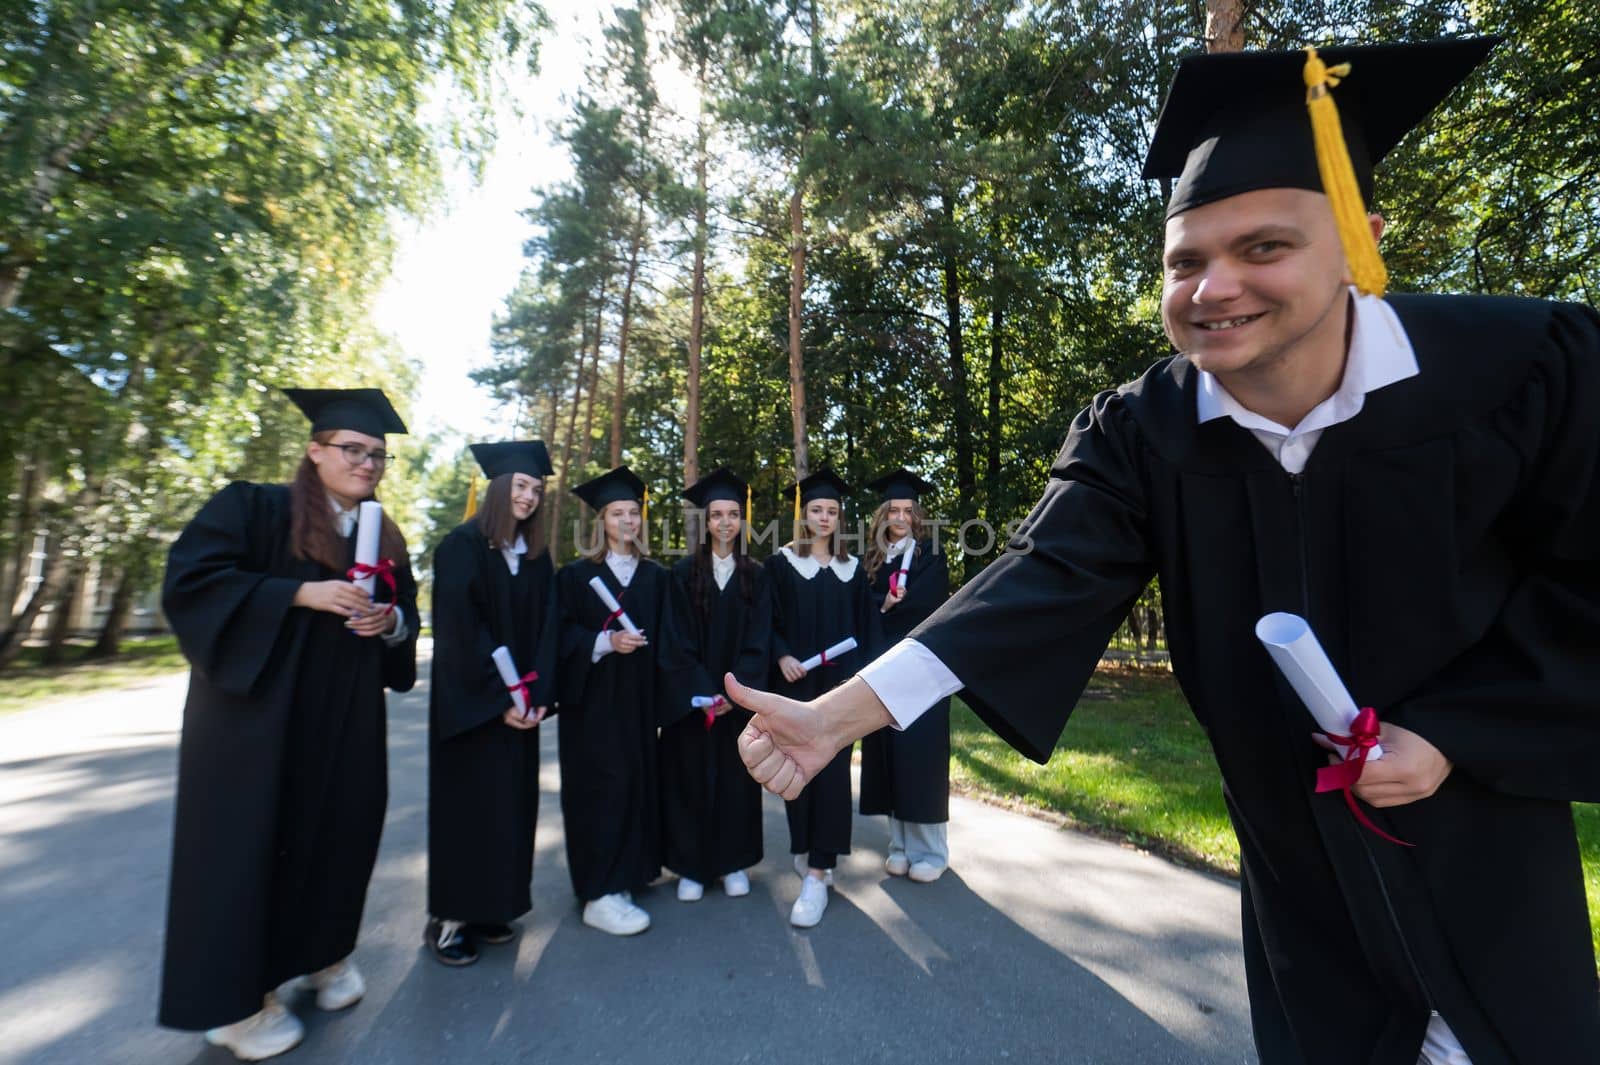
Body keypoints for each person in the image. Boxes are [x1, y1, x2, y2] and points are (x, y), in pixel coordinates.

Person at [731, 39, 1600, 1065]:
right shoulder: (1141, 431)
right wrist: (837, 716)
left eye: (1263, 248)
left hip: (1482, 839)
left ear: (1362, 243)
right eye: (1184, 259)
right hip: (1294, 865)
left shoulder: (1523, 370)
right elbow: (1042, 574)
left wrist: (1453, 734)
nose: (1213, 287)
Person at [159, 387, 419, 1062]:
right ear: (314, 450)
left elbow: (407, 617)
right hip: (257, 726)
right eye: (352, 449)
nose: (366, 462)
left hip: (346, 720)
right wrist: (301, 592)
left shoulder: (382, 535)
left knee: (340, 831)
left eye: (377, 454)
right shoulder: (255, 507)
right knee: (249, 846)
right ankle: (239, 1005)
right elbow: (192, 581)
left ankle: (324, 956)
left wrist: (387, 621)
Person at [424, 440, 559, 966]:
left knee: (509, 810)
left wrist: (537, 696)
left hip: (520, 711)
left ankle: (492, 907)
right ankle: (450, 919)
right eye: (521, 486)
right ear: (498, 488)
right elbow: (461, 631)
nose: (528, 497)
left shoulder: (536, 558)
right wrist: (498, 697)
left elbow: (549, 629)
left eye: (536, 490)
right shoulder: (460, 546)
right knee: (468, 813)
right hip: (473, 711)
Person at [555, 466, 695, 935]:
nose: (627, 520)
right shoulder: (575, 578)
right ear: (602, 521)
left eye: (634, 512)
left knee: (635, 783)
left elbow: (674, 641)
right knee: (601, 788)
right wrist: (604, 642)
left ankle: (629, 874)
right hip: (591, 707)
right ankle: (598, 891)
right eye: (618, 512)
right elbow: (559, 637)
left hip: (637, 704)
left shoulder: (657, 578)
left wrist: (683, 697)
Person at [764, 467, 881, 928]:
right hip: (795, 687)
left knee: (831, 774)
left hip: (838, 695)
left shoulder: (853, 573)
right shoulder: (781, 565)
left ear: (840, 517)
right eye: (816, 509)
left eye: (832, 510)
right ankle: (805, 848)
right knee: (797, 771)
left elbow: (868, 634)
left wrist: (863, 687)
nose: (825, 516)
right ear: (803, 515)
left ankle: (819, 869)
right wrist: (782, 655)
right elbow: (767, 623)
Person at [662, 467, 772, 902]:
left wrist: (730, 693)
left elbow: (758, 640)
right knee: (688, 777)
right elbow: (675, 639)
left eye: (732, 514)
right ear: (705, 522)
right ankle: (692, 867)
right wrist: (703, 690)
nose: (725, 522)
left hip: (736, 704)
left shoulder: (756, 575)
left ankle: (733, 863)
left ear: (741, 521)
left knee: (736, 780)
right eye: (716, 515)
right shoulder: (683, 573)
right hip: (694, 704)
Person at [858, 468, 951, 882]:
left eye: (907, 510)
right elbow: (865, 607)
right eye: (893, 510)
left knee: (921, 754)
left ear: (917, 515)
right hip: (883, 664)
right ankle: (898, 845)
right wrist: (884, 607)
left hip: (922, 665)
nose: (900, 517)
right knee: (890, 752)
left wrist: (895, 605)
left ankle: (930, 850)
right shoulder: (872, 558)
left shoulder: (931, 555)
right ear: (883, 516)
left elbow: (929, 605)